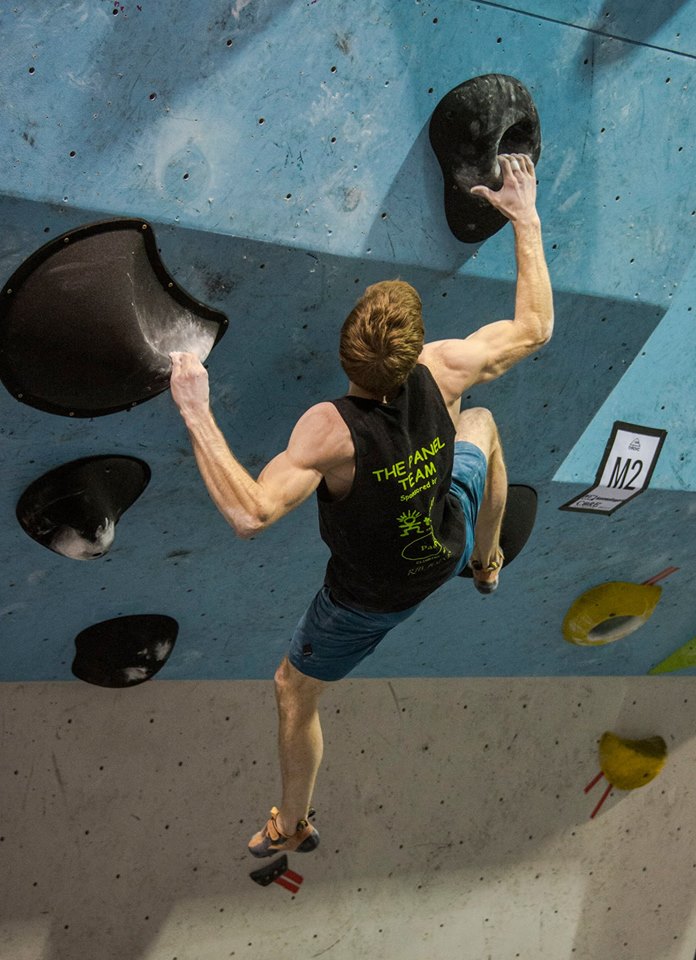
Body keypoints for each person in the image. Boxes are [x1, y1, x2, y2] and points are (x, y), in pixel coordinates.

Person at [169, 153, 553, 859]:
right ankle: (488, 559)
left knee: (293, 690)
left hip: (367, 598)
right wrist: (524, 217)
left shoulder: (329, 431)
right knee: (484, 429)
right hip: (445, 536)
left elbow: (251, 513)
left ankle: (293, 822)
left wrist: (197, 414)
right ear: (409, 357)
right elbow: (534, 328)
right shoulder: (444, 371)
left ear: (349, 354)